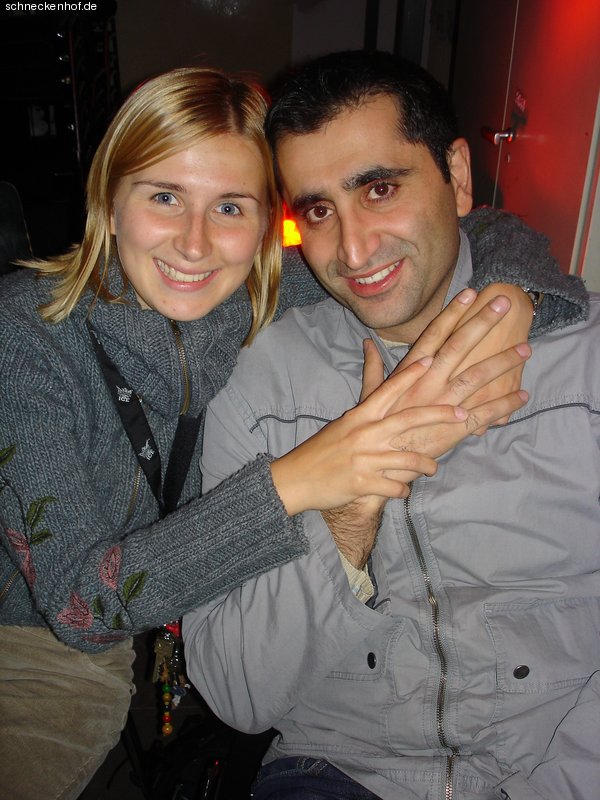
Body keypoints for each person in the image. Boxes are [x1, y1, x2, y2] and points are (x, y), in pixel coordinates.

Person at [0, 63, 566, 800]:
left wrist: (515, 298)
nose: (195, 243)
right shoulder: (27, 334)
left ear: (269, 224)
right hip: (31, 637)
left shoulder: (259, 286)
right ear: (109, 202)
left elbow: (462, 228)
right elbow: (82, 607)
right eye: (165, 196)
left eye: (231, 207)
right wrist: (304, 478)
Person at [183, 50, 597, 800]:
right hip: (339, 771)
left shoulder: (583, 360)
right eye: (317, 210)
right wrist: (349, 514)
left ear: (459, 177)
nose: (353, 250)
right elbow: (237, 691)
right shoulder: (256, 383)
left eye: (379, 189)